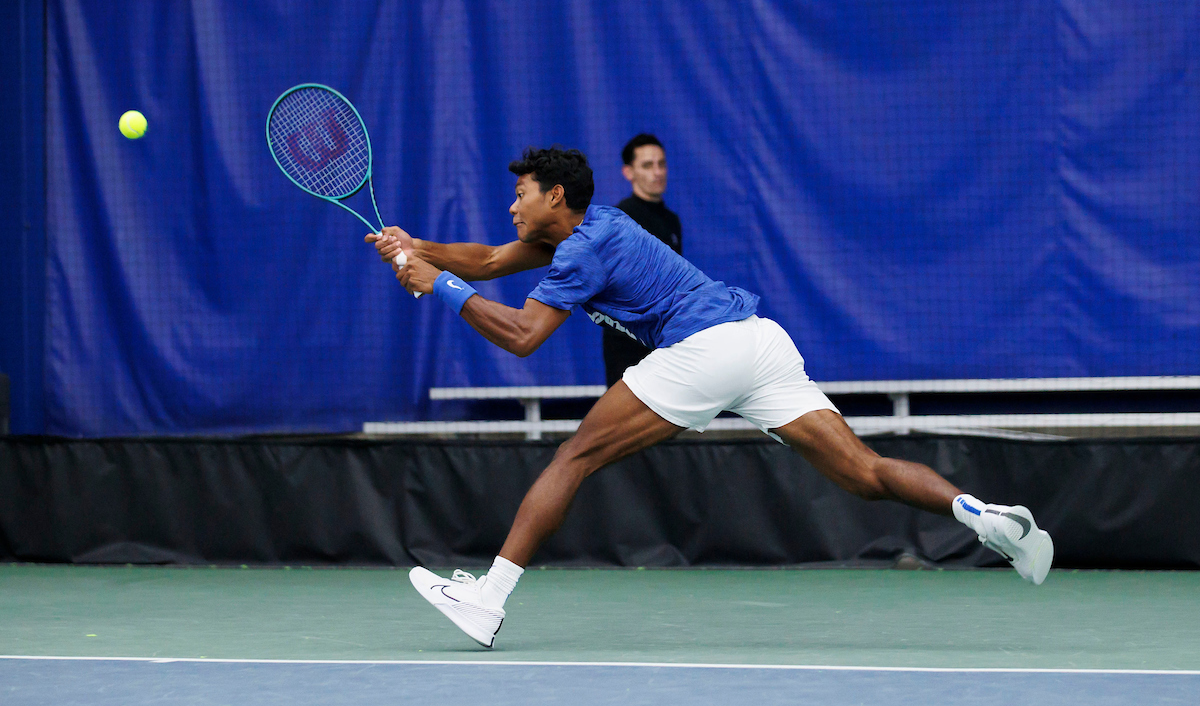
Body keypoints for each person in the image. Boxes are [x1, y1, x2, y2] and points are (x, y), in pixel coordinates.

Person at [367, 146, 1054, 649]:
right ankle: (981, 515)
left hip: (704, 350)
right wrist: (414, 246)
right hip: (759, 341)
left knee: (573, 457)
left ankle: (488, 601)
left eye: (521, 193)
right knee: (866, 474)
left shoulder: (579, 252)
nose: (511, 204)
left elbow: (521, 337)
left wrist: (438, 287)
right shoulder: (594, 225)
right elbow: (488, 260)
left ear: (555, 198)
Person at [603, 134, 682, 387]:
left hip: (664, 343)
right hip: (627, 345)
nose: (657, 172)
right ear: (629, 172)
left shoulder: (672, 221)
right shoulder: (621, 219)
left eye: (662, 164)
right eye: (647, 165)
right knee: (623, 424)